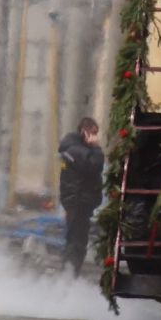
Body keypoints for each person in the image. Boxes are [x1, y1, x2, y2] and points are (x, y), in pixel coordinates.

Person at [57, 117, 105, 275]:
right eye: (94, 133)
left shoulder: (74, 149)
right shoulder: (76, 150)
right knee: (76, 244)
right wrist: (96, 148)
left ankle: (69, 277)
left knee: (76, 241)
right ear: (85, 131)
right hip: (78, 201)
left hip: (78, 202)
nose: (96, 137)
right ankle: (68, 279)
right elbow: (94, 166)